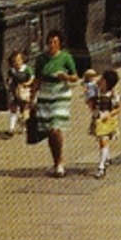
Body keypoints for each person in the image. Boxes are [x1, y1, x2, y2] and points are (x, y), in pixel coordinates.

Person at [31, 30, 79, 177]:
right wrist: (32, 98)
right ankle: (56, 159)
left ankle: (59, 163)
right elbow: (37, 79)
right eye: (50, 42)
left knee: (55, 129)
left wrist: (66, 77)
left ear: (60, 44)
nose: (52, 45)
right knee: (49, 130)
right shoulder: (41, 59)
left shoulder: (66, 57)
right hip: (45, 94)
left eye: (55, 43)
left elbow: (75, 77)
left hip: (60, 94)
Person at [88, 69, 121, 179]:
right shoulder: (96, 92)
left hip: (107, 120)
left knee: (103, 140)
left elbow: (118, 108)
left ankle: (101, 167)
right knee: (102, 140)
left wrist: (109, 114)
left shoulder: (113, 94)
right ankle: (106, 157)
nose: (100, 80)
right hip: (98, 119)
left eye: (102, 79)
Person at [5, 48, 34, 136]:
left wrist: (27, 83)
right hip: (14, 91)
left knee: (24, 109)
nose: (17, 63)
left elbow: (32, 77)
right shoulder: (12, 71)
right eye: (14, 61)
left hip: (24, 91)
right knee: (13, 108)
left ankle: (23, 125)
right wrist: (9, 84)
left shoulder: (27, 69)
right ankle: (11, 128)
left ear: (22, 60)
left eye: (18, 60)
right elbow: (8, 79)